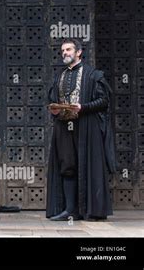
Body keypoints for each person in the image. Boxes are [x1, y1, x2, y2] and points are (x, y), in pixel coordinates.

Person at [46, 38, 116, 221]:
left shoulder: (93, 75)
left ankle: (91, 211)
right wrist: (55, 109)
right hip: (64, 126)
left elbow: (104, 101)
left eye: (68, 49)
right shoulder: (59, 76)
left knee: (88, 166)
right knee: (67, 166)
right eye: (62, 51)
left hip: (86, 127)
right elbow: (53, 98)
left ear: (79, 52)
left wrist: (83, 107)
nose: (65, 53)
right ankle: (70, 210)